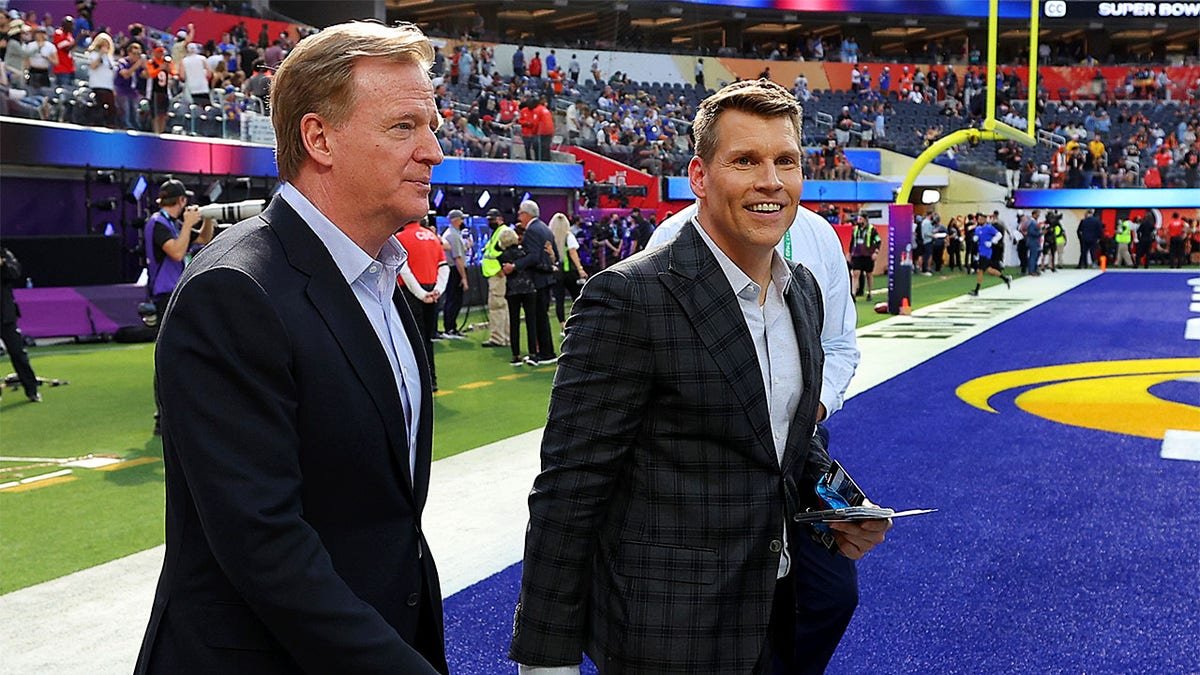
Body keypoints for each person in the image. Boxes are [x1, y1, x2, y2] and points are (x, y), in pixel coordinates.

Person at [510, 79, 888, 674]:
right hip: (669, 635)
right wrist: (545, 661)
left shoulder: (802, 293)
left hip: (776, 608)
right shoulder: (628, 298)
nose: (770, 180)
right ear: (699, 176)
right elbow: (568, 490)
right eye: (745, 160)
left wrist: (841, 502)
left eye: (784, 161)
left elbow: (785, 442)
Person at [134, 22, 449, 674]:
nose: (434, 150)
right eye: (404, 127)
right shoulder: (235, 291)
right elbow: (264, 545)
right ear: (319, 138)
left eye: (433, 124)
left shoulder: (378, 274)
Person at [503, 199, 558, 365]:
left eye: (520, 213)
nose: (519, 216)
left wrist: (515, 266)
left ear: (526, 214)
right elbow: (553, 254)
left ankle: (545, 352)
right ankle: (546, 351)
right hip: (547, 276)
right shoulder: (545, 228)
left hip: (538, 278)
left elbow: (533, 256)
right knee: (542, 316)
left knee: (539, 316)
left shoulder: (532, 230)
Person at [398, 218, 449, 391]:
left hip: (412, 294)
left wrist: (421, 294)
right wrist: (437, 291)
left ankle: (417, 382)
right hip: (431, 292)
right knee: (427, 339)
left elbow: (403, 269)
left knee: (411, 339)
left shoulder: (400, 238)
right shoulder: (432, 236)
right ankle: (431, 380)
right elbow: (444, 266)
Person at [0, 247, 41, 403]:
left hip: (5, 315)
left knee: (18, 353)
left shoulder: (4, 254)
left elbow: (15, 272)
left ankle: (31, 389)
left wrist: (3, 264)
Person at [497, 225, 537, 366]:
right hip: (529, 288)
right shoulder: (524, 253)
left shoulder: (502, 256)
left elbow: (505, 272)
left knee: (514, 322)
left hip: (513, 291)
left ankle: (516, 355)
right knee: (531, 321)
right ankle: (533, 353)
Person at [480, 208, 513, 348]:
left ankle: (498, 338)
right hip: (495, 274)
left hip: (497, 275)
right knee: (501, 307)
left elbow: (508, 253)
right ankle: (504, 337)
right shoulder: (498, 232)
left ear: (500, 218)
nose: (490, 222)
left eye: (492, 219)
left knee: (497, 307)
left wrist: (501, 269)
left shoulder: (504, 232)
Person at [548, 212, 587, 326]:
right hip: (570, 272)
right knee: (576, 298)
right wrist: (580, 269)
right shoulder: (569, 236)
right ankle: (577, 321)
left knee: (559, 300)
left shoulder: (550, 237)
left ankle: (562, 325)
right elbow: (573, 252)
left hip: (557, 272)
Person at [440, 209, 469, 337]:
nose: (463, 221)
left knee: (453, 299)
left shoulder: (454, 234)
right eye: (461, 219)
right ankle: (450, 328)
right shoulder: (453, 235)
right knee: (454, 300)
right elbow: (457, 258)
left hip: (453, 269)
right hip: (454, 270)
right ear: (456, 220)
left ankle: (451, 327)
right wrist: (464, 277)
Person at [969, 216, 1012, 296]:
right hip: (980, 251)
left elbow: (999, 235)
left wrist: (992, 242)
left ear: (985, 220)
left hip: (987, 252)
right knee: (989, 270)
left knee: (980, 270)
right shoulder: (978, 229)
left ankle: (976, 290)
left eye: (981, 219)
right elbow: (977, 237)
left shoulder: (989, 228)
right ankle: (1005, 278)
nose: (980, 220)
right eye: (979, 219)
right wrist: (975, 238)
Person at [849, 215, 881, 300]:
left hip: (868, 255)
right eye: (858, 219)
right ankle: (853, 293)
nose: (858, 221)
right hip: (857, 255)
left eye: (860, 219)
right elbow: (852, 242)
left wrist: (876, 252)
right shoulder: (855, 229)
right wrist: (850, 253)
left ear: (865, 220)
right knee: (856, 273)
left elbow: (878, 241)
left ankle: (870, 292)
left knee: (868, 275)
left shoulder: (872, 229)